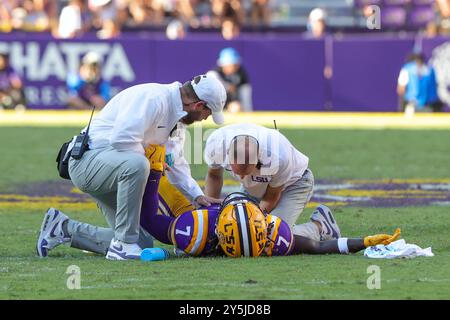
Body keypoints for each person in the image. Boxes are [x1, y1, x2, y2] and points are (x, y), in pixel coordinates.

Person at [36, 74, 227, 260]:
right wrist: (152, 159)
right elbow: (122, 140)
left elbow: (176, 162)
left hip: (113, 168)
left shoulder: (176, 118)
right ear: (198, 105)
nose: (204, 119)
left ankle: (63, 228)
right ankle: (121, 246)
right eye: (207, 114)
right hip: (87, 162)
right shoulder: (153, 98)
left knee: (141, 242)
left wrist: (196, 195)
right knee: (138, 164)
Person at [203, 123, 337, 243]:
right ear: (227, 154)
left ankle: (321, 227)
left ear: (259, 157)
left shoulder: (278, 155)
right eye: (237, 172)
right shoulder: (216, 144)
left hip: (294, 183)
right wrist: (209, 214)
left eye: (247, 172)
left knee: (268, 235)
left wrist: (253, 221)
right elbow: (214, 176)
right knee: (238, 230)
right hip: (253, 188)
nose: (242, 177)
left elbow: (272, 196)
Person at [207, 47, 253, 113]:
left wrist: (248, 112)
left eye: (236, 64)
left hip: (231, 106)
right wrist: (228, 87)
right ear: (223, 64)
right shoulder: (213, 74)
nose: (235, 67)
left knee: (236, 107)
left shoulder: (241, 74)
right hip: (214, 107)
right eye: (232, 65)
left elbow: (246, 95)